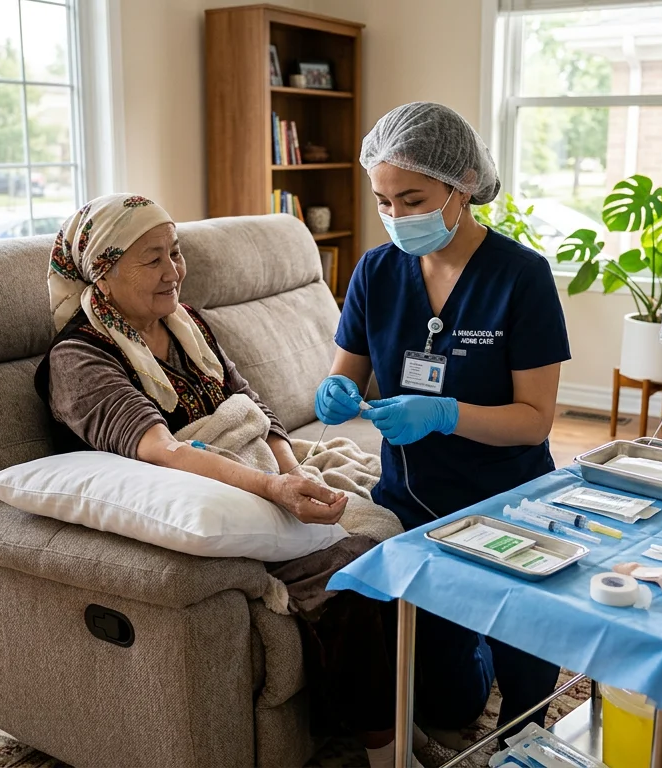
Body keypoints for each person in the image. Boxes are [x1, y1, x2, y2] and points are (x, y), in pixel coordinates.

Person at [34, 193, 451, 768]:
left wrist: (292, 471)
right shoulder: (78, 360)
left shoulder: (187, 326)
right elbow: (162, 452)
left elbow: (251, 408)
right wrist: (275, 491)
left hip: (250, 473)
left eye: (175, 252)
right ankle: (388, 754)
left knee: (391, 551)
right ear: (101, 273)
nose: (173, 270)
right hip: (192, 505)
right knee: (350, 585)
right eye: (152, 259)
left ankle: (402, 721)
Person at [316, 102, 572, 744]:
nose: (397, 216)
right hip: (410, 500)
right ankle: (469, 642)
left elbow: (535, 422)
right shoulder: (376, 271)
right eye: (383, 201)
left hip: (507, 502)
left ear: (461, 185)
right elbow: (347, 372)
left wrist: (445, 413)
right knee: (449, 706)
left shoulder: (522, 277)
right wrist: (337, 391)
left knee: (522, 703)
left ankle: (509, 648)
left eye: (412, 198)